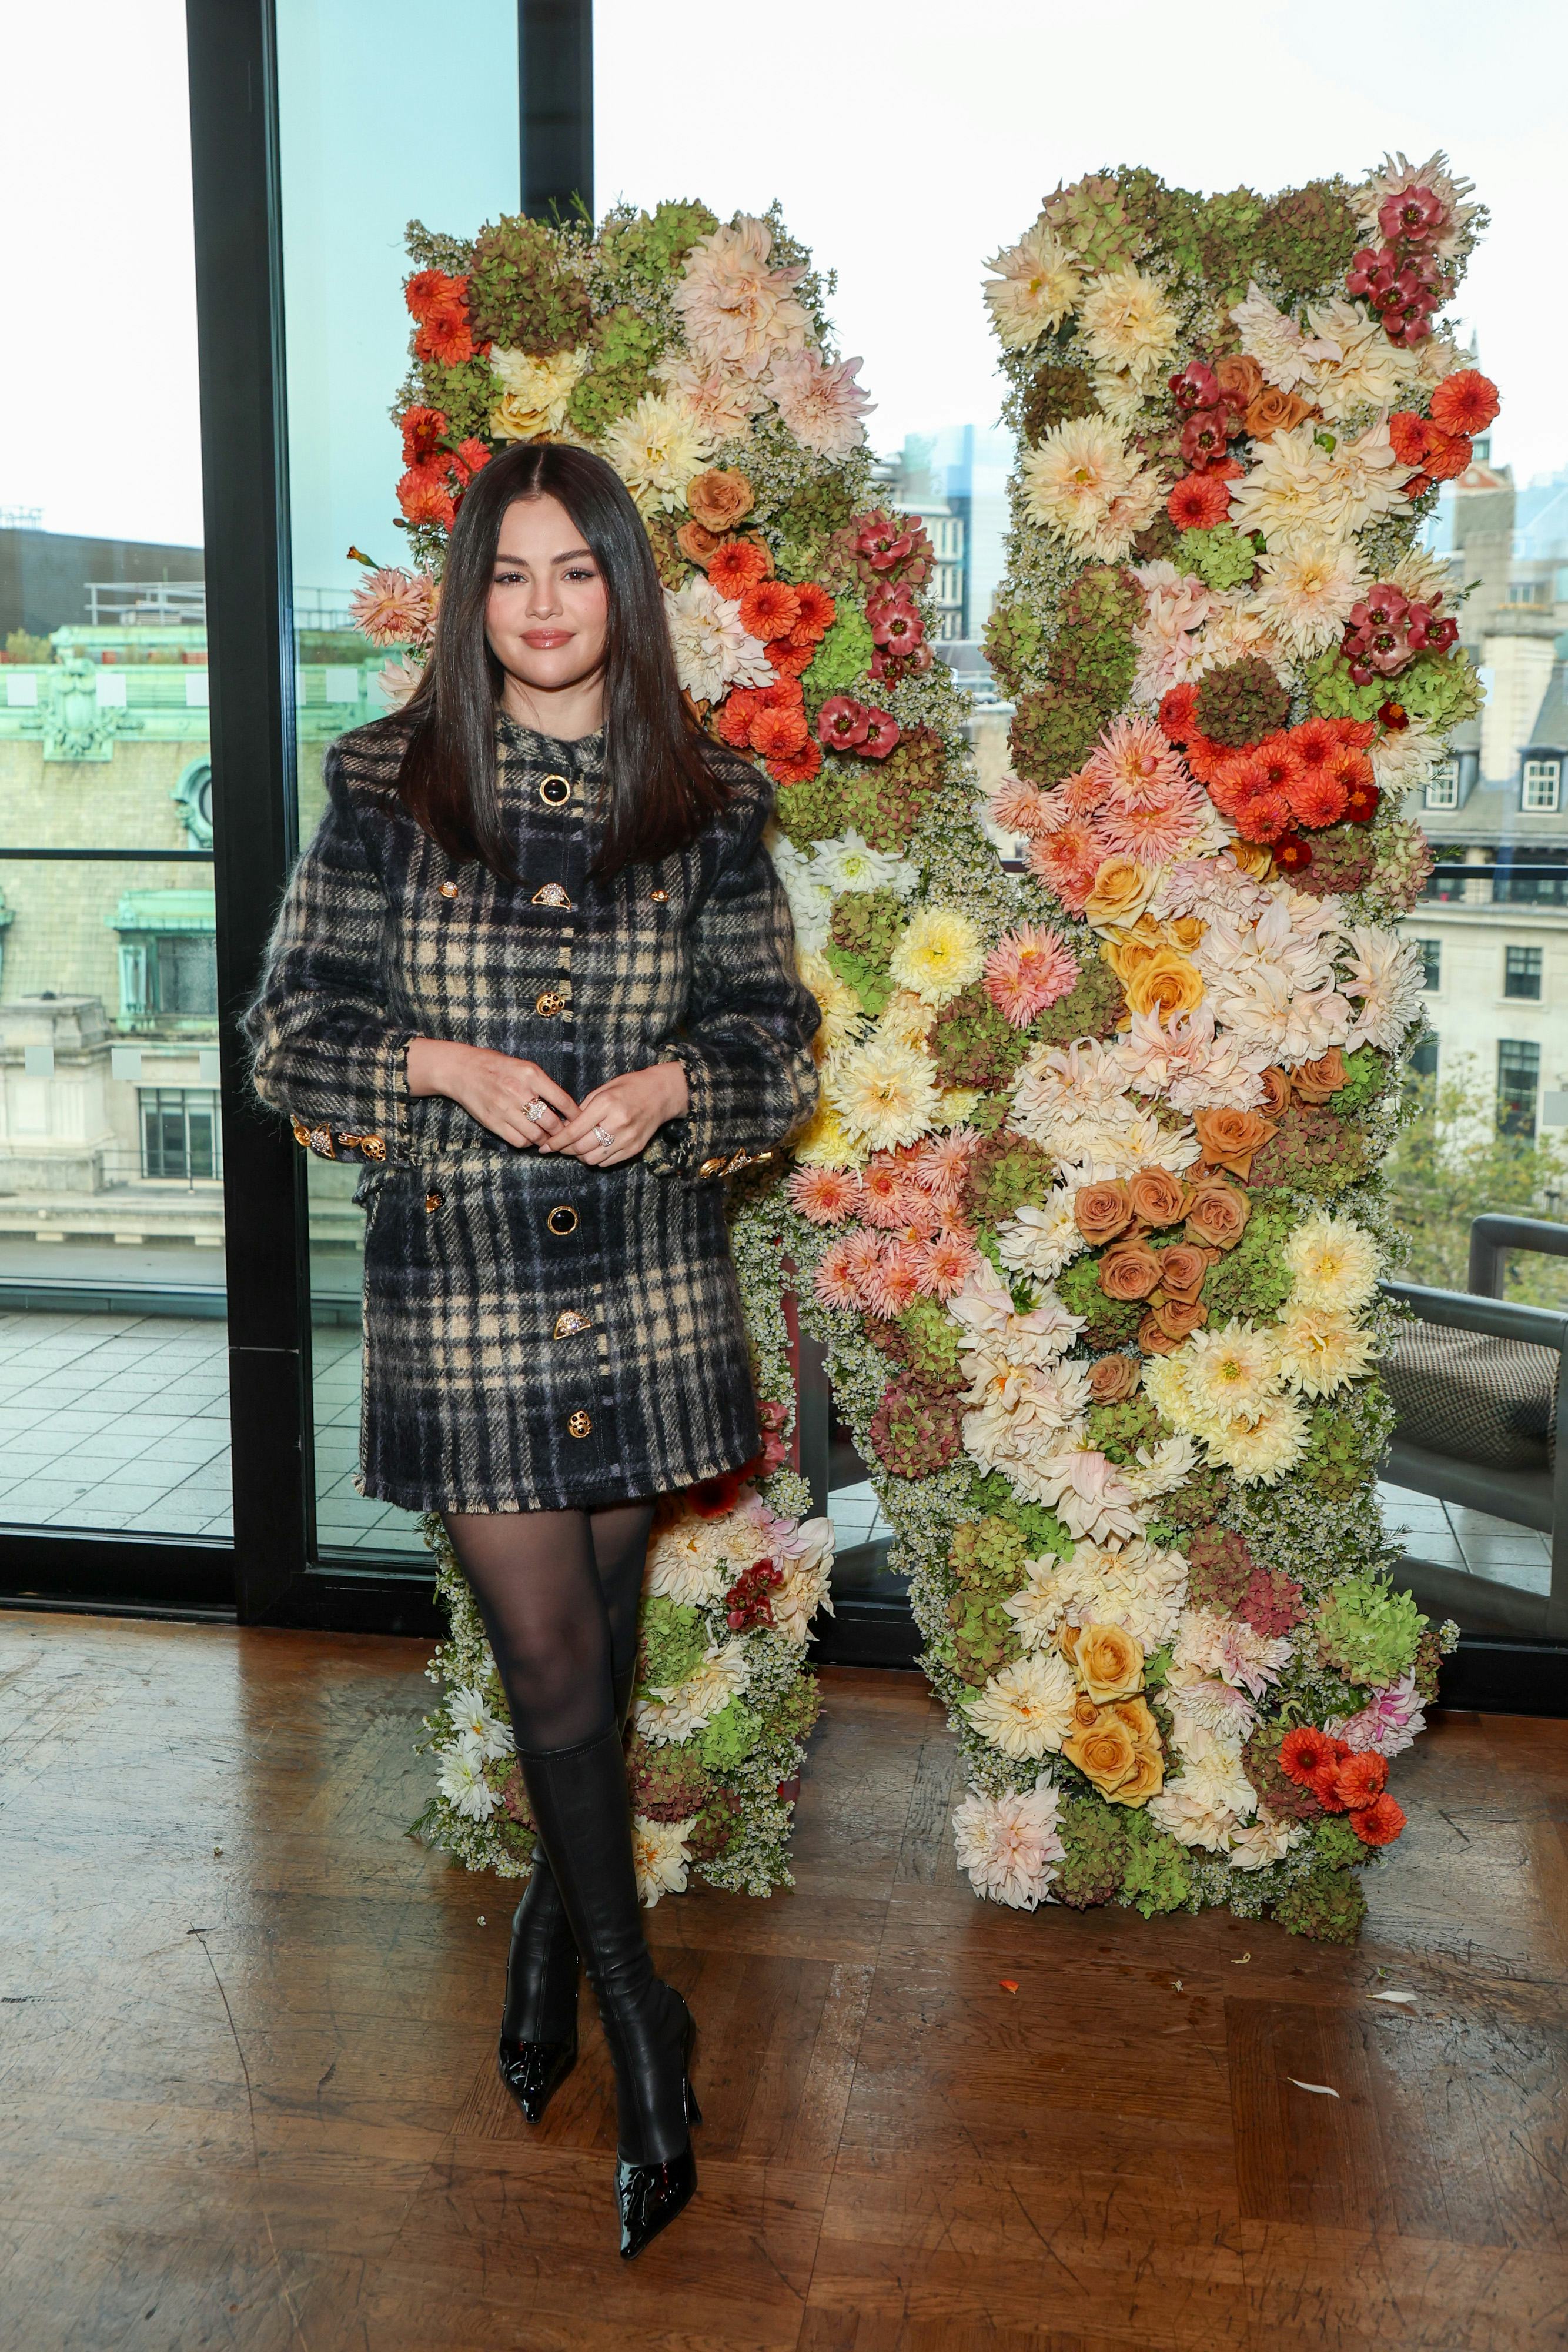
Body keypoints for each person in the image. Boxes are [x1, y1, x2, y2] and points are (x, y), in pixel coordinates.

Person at [245, 440, 820, 2257]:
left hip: (647, 1277)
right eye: (510, 574)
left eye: (577, 572)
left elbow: (775, 1043)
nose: (546, 606)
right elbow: (284, 1033)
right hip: (464, 1288)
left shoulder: (708, 798)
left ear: (620, 593)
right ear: (468, 595)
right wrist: (437, 1065)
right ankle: (644, 2022)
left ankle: (544, 1935)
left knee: (608, 1627)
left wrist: (672, 1085)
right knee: (550, 1654)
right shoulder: (386, 786)